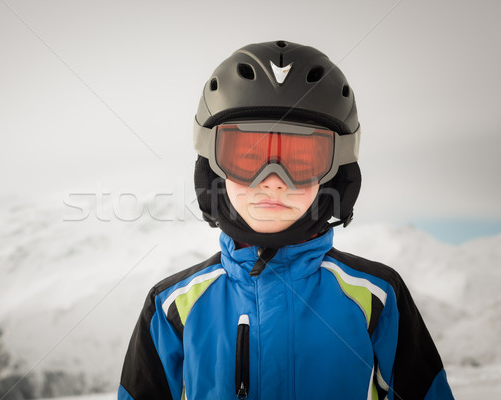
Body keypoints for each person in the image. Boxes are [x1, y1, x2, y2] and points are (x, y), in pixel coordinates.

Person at [118, 41, 455, 400]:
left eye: (302, 159)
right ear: (213, 171)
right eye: (247, 156)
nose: (273, 179)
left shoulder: (377, 297)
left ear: (335, 175)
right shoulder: (173, 306)